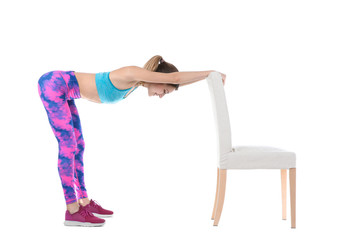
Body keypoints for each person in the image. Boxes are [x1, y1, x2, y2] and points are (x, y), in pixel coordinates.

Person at [37, 55, 226, 227]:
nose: (161, 96)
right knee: (68, 147)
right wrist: (211, 72)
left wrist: (207, 79)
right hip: (54, 84)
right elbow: (175, 79)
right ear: (159, 77)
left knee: (79, 146)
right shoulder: (132, 73)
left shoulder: (138, 82)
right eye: (165, 91)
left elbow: (176, 82)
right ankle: (72, 210)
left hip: (66, 89)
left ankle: (84, 202)